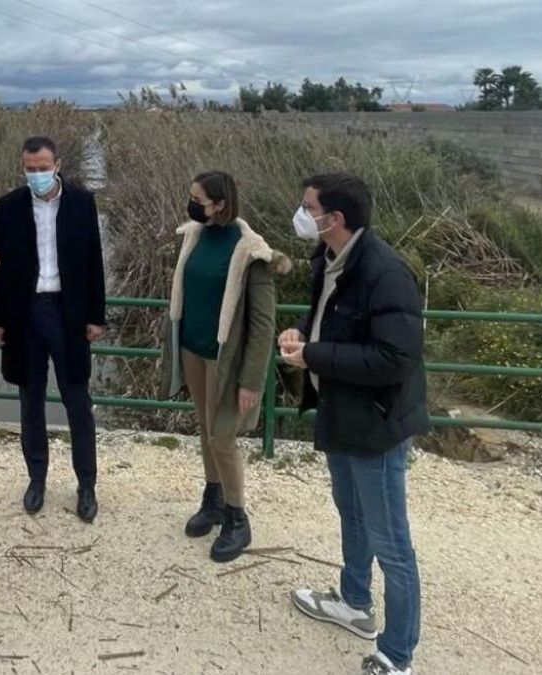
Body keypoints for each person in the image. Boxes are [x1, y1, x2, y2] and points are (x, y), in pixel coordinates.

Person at [278, 173, 427, 675]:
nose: (301, 214)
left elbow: (394, 359)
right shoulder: (329, 259)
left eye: (307, 206)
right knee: (352, 513)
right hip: (341, 411)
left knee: (392, 541)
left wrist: (315, 355)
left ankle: (397, 653)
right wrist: (300, 333)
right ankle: (354, 602)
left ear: (334, 218)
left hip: (376, 423)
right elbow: (326, 318)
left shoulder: (385, 272)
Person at [162, 171, 287, 562]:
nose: (192, 204)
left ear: (219, 202)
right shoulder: (195, 236)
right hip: (193, 349)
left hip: (226, 359)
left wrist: (252, 380)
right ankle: (212, 498)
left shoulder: (251, 250)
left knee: (223, 437)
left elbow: (264, 326)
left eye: (197, 198)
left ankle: (237, 517)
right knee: (206, 428)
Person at [0, 136, 107, 522]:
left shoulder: (81, 203)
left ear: (57, 165)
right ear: (23, 166)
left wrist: (95, 316)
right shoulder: (8, 207)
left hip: (67, 314)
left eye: (43, 167)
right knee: (30, 402)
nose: (36, 174)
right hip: (25, 315)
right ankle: (36, 478)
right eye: (30, 168)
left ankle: (86, 483)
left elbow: (94, 262)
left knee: (78, 403)